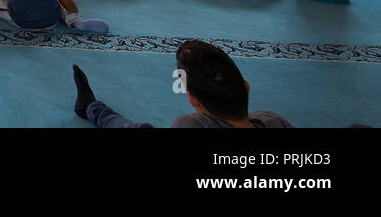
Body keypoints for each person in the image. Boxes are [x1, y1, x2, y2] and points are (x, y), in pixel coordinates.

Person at [72, 40, 292, 128]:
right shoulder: (274, 121)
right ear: (246, 86)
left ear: (193, 100)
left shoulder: (192, 124)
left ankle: (92, 107)